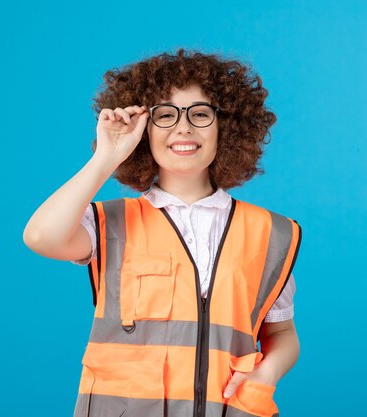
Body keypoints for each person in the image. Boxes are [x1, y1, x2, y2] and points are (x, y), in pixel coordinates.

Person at [23, 48, 302, 417]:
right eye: (165, 115)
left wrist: (264, 378)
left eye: (200, 114)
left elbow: (281, 334)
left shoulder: (272, 233)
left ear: (226, 127)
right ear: (144, 130)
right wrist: (107, 156)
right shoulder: (109, 223)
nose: (183, 127)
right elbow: (41, 236)